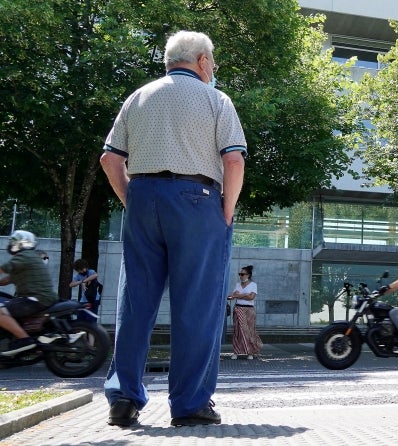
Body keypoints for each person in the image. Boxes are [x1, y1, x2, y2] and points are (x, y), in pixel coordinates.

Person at [99, 30, 247, 428]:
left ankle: (123, 400)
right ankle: (189, 404)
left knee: (136, 302)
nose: (212, 69)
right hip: (197, 199)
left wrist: (133, 200)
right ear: (201, 61)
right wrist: (226, 211)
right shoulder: (217, 100)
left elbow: (110, 159)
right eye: (212, 63)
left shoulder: (139, 97)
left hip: (144, 195)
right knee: (197, 306)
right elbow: (233, 160)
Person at [0, 231, 57, 355]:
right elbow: (7, 279)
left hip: (36, 299)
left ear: (20, 243)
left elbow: (4, 268)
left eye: (13, 242)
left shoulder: (24, 255)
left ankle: (25, 340)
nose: (11, 244)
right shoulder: (27, 259)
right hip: (40, 298)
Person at [228, 265, 262, 360]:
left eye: (242, 274)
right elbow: (233, 296)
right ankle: (236, 352)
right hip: (238, 309)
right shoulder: (237, 285)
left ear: (248, 275)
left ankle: (250, 352)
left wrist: (239, 295)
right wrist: (244, 295)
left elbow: (251, 297)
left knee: (249, 331)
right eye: (239, 274)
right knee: (237, 331)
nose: (240, 276)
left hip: (249, 310)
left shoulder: (253, 285)